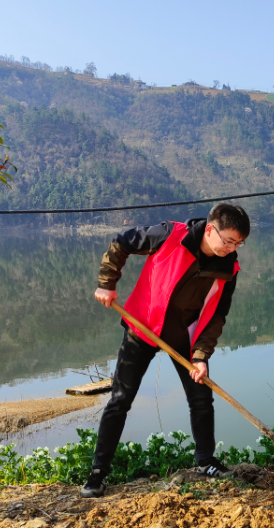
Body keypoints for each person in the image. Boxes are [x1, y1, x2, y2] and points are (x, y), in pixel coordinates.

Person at [81, 204, 250, 498]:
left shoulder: (227, 269)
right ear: (210, 229)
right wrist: (107, 283)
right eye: (228, 241)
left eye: (238, 243)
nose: (232, 248)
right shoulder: (170, 235)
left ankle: (206, 462)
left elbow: (217, 315)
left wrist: (201, 356)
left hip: (183, 337)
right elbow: (122, 241)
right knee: (120, 400)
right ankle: (98, 473)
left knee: (201, 397)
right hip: (142, 327)